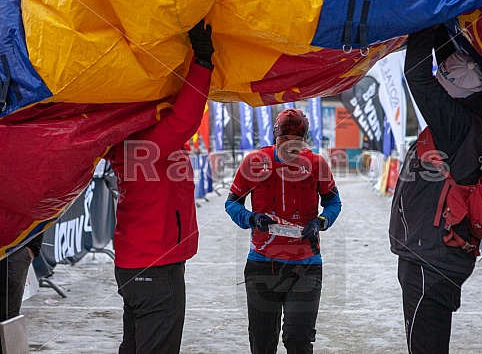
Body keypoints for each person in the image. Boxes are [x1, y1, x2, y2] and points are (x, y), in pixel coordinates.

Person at [388, 25, 482, 354]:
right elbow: (452, 66)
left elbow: (418, 76)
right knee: (429, 341)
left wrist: (422, 19)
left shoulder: (456, 126)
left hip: (430, 259)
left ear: (452, 96)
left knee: (424, 346)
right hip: (442, 253)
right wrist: (440, 25)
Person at [106, 20, 214, 354]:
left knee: (135, 346)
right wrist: (203, 61)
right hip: (156, 268)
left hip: (135, 264)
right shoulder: (148, 146)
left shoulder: (128, 144)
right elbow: (185, 119)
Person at [225, 108, 342, 354]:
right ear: (274, 138)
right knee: (262, 343)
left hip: (306, 265)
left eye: (296, 143)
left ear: (304, 141)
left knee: (298, 340)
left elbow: (334, 203)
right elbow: (232, 203)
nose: (290, 148)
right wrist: (251, 218)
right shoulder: (254, 162)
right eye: (283, 142)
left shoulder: (316, 164)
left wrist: (320, 222)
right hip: (262, 264)